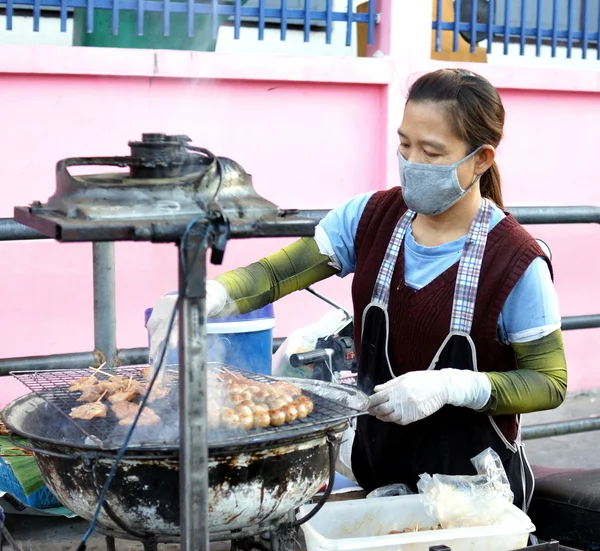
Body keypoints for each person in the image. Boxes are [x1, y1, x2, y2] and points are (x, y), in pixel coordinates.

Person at [147, 68, 567, 511]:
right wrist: (208, 297)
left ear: (481, 159)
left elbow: (549, 382)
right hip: (379, 480)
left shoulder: (514, 261)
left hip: (474, 499)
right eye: (405, 144)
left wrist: (451, 386)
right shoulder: (370, 217)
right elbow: (275, 275)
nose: (412, 162)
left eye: (432, 151)